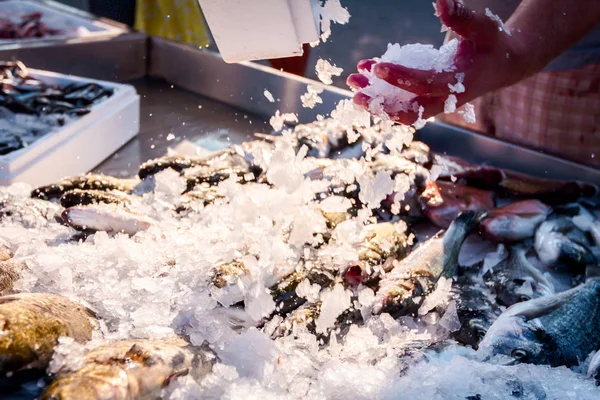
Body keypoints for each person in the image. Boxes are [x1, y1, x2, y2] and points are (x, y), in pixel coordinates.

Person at [347, 0, 600, 167]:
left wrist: (519, 48)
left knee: (556, 205)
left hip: (564, 72)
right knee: (455, 185)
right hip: (464, 58)